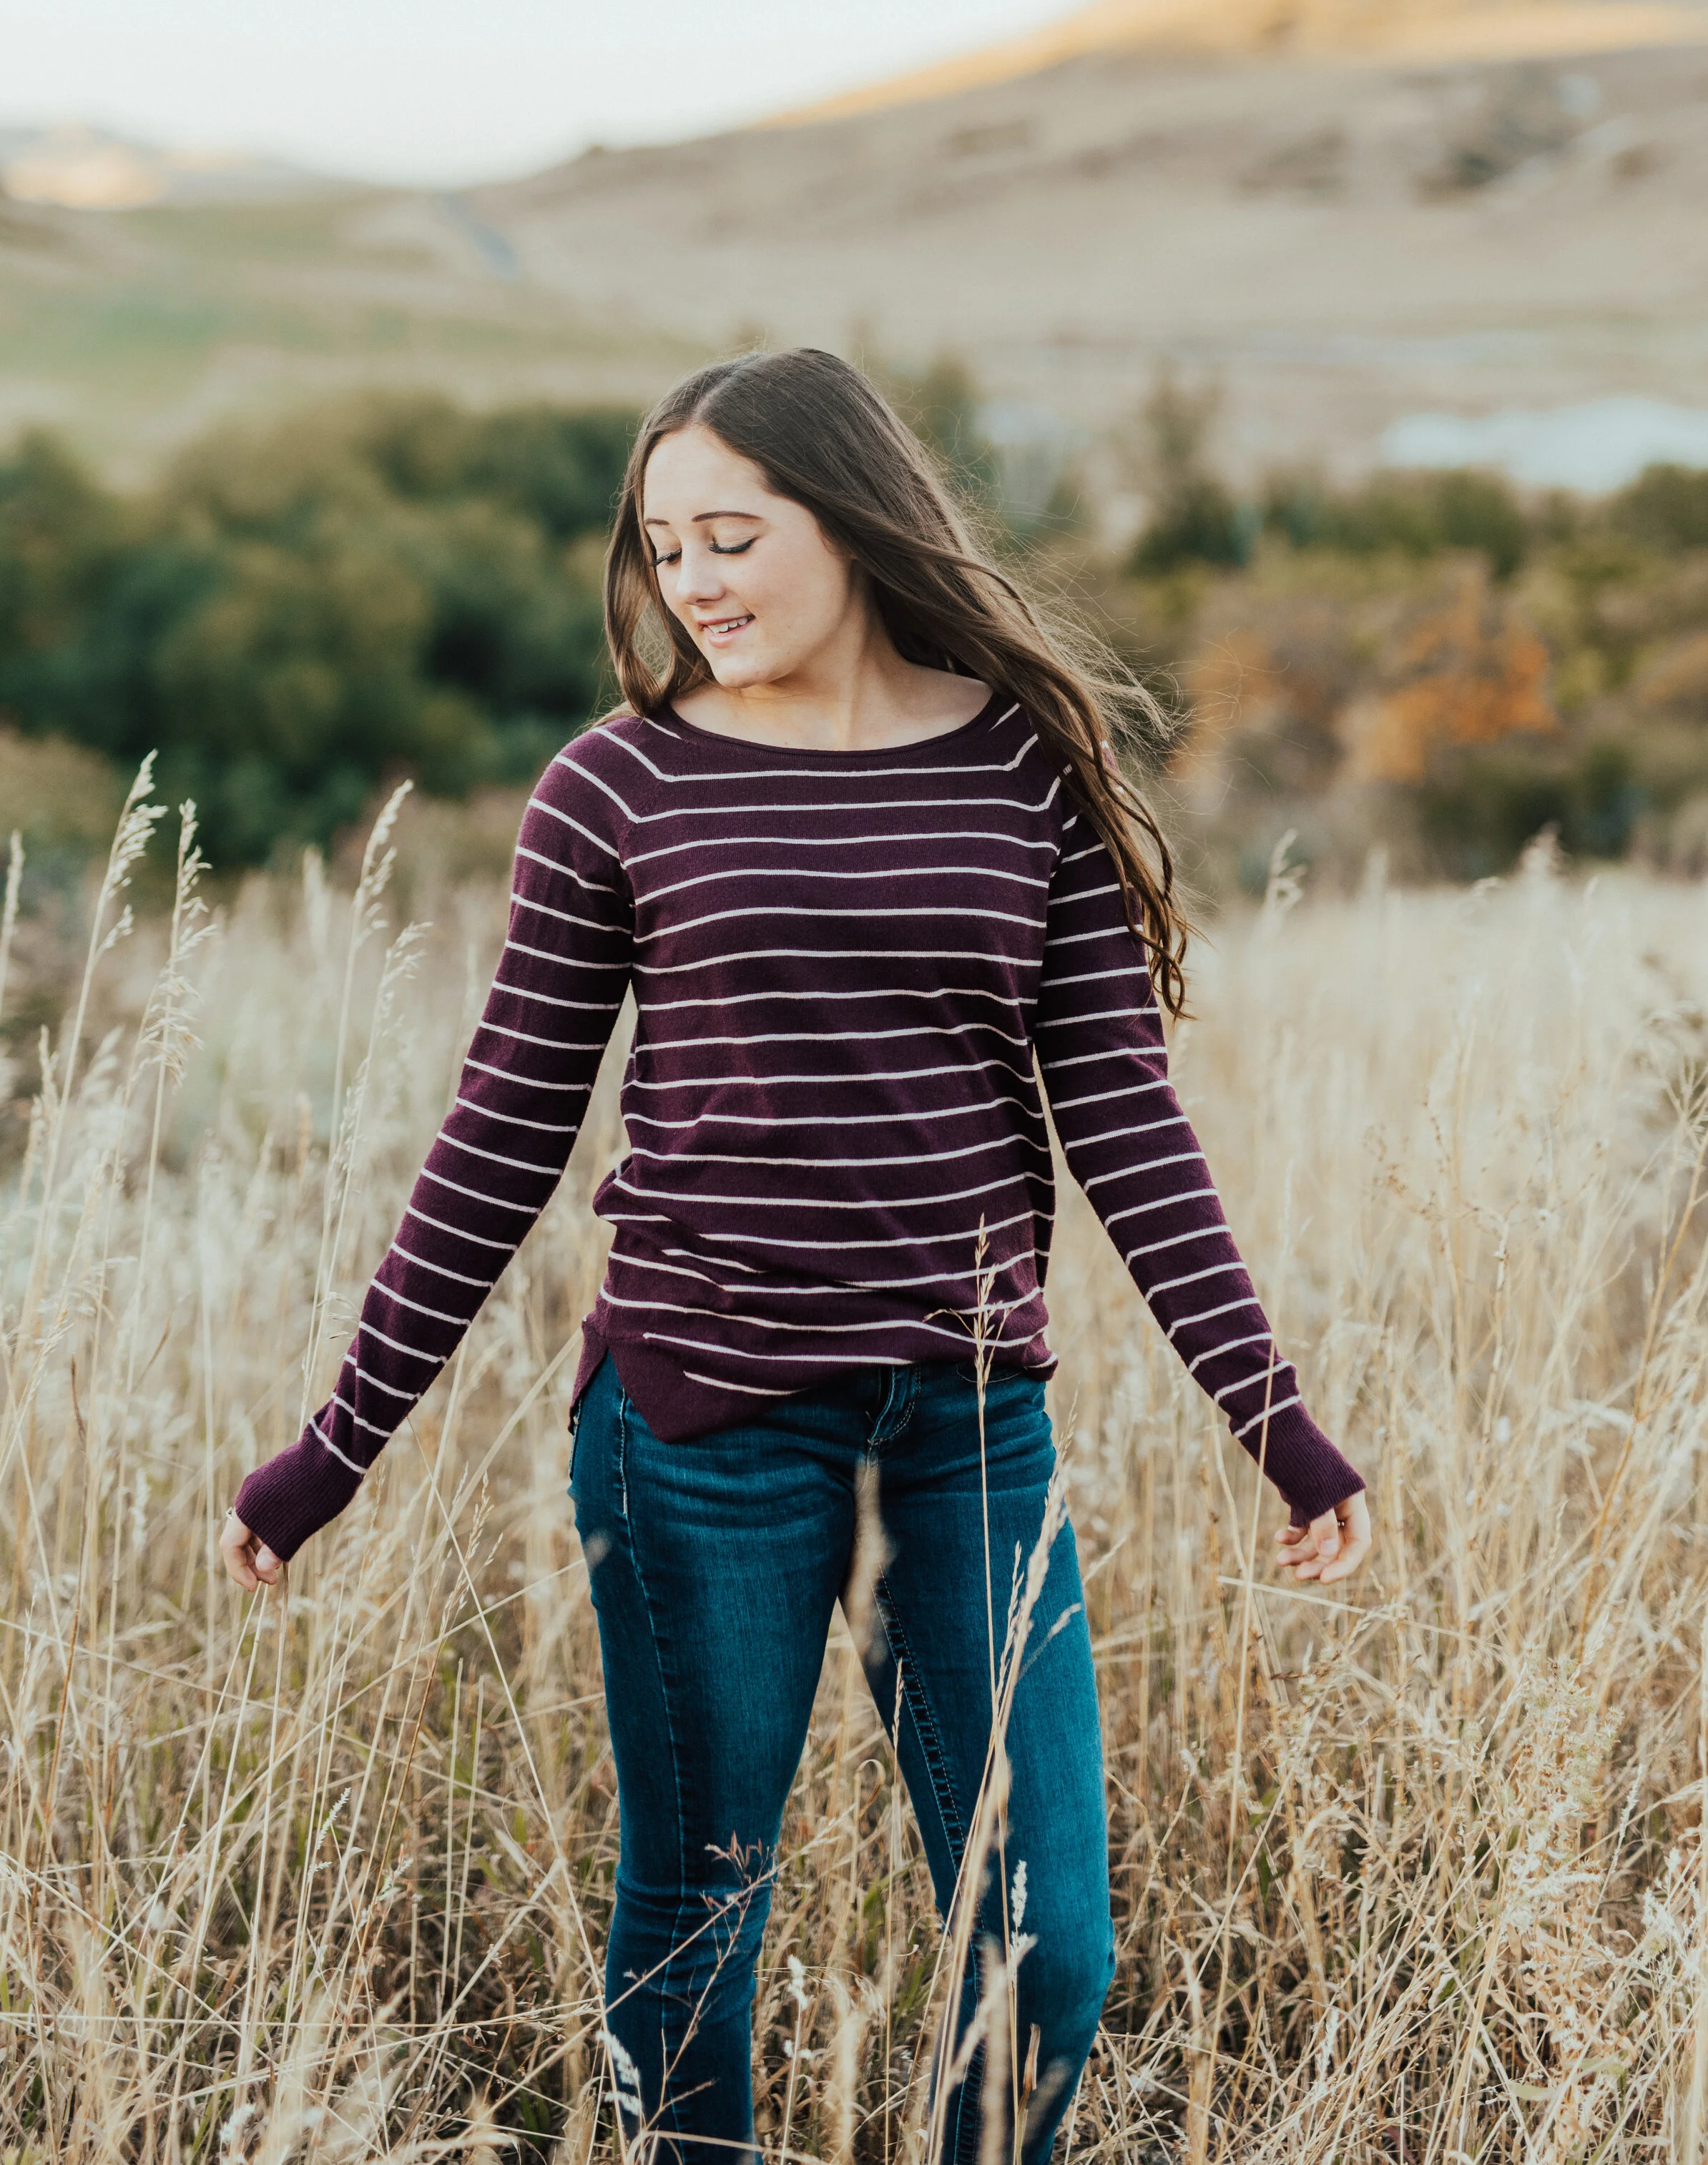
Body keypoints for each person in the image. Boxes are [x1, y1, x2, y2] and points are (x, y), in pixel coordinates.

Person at [223, 347, 1369, 2165]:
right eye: (664, 547)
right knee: (695, 1922)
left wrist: (1277, 1425)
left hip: (967, 1438)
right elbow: (503, 1132)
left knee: (1045, 1950)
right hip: (695, 1438)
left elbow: (1125, 1125)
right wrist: (331, 1452)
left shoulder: (1019, 770)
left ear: (849, 521)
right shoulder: (618, 788)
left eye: (731, 536)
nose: (692, 582)